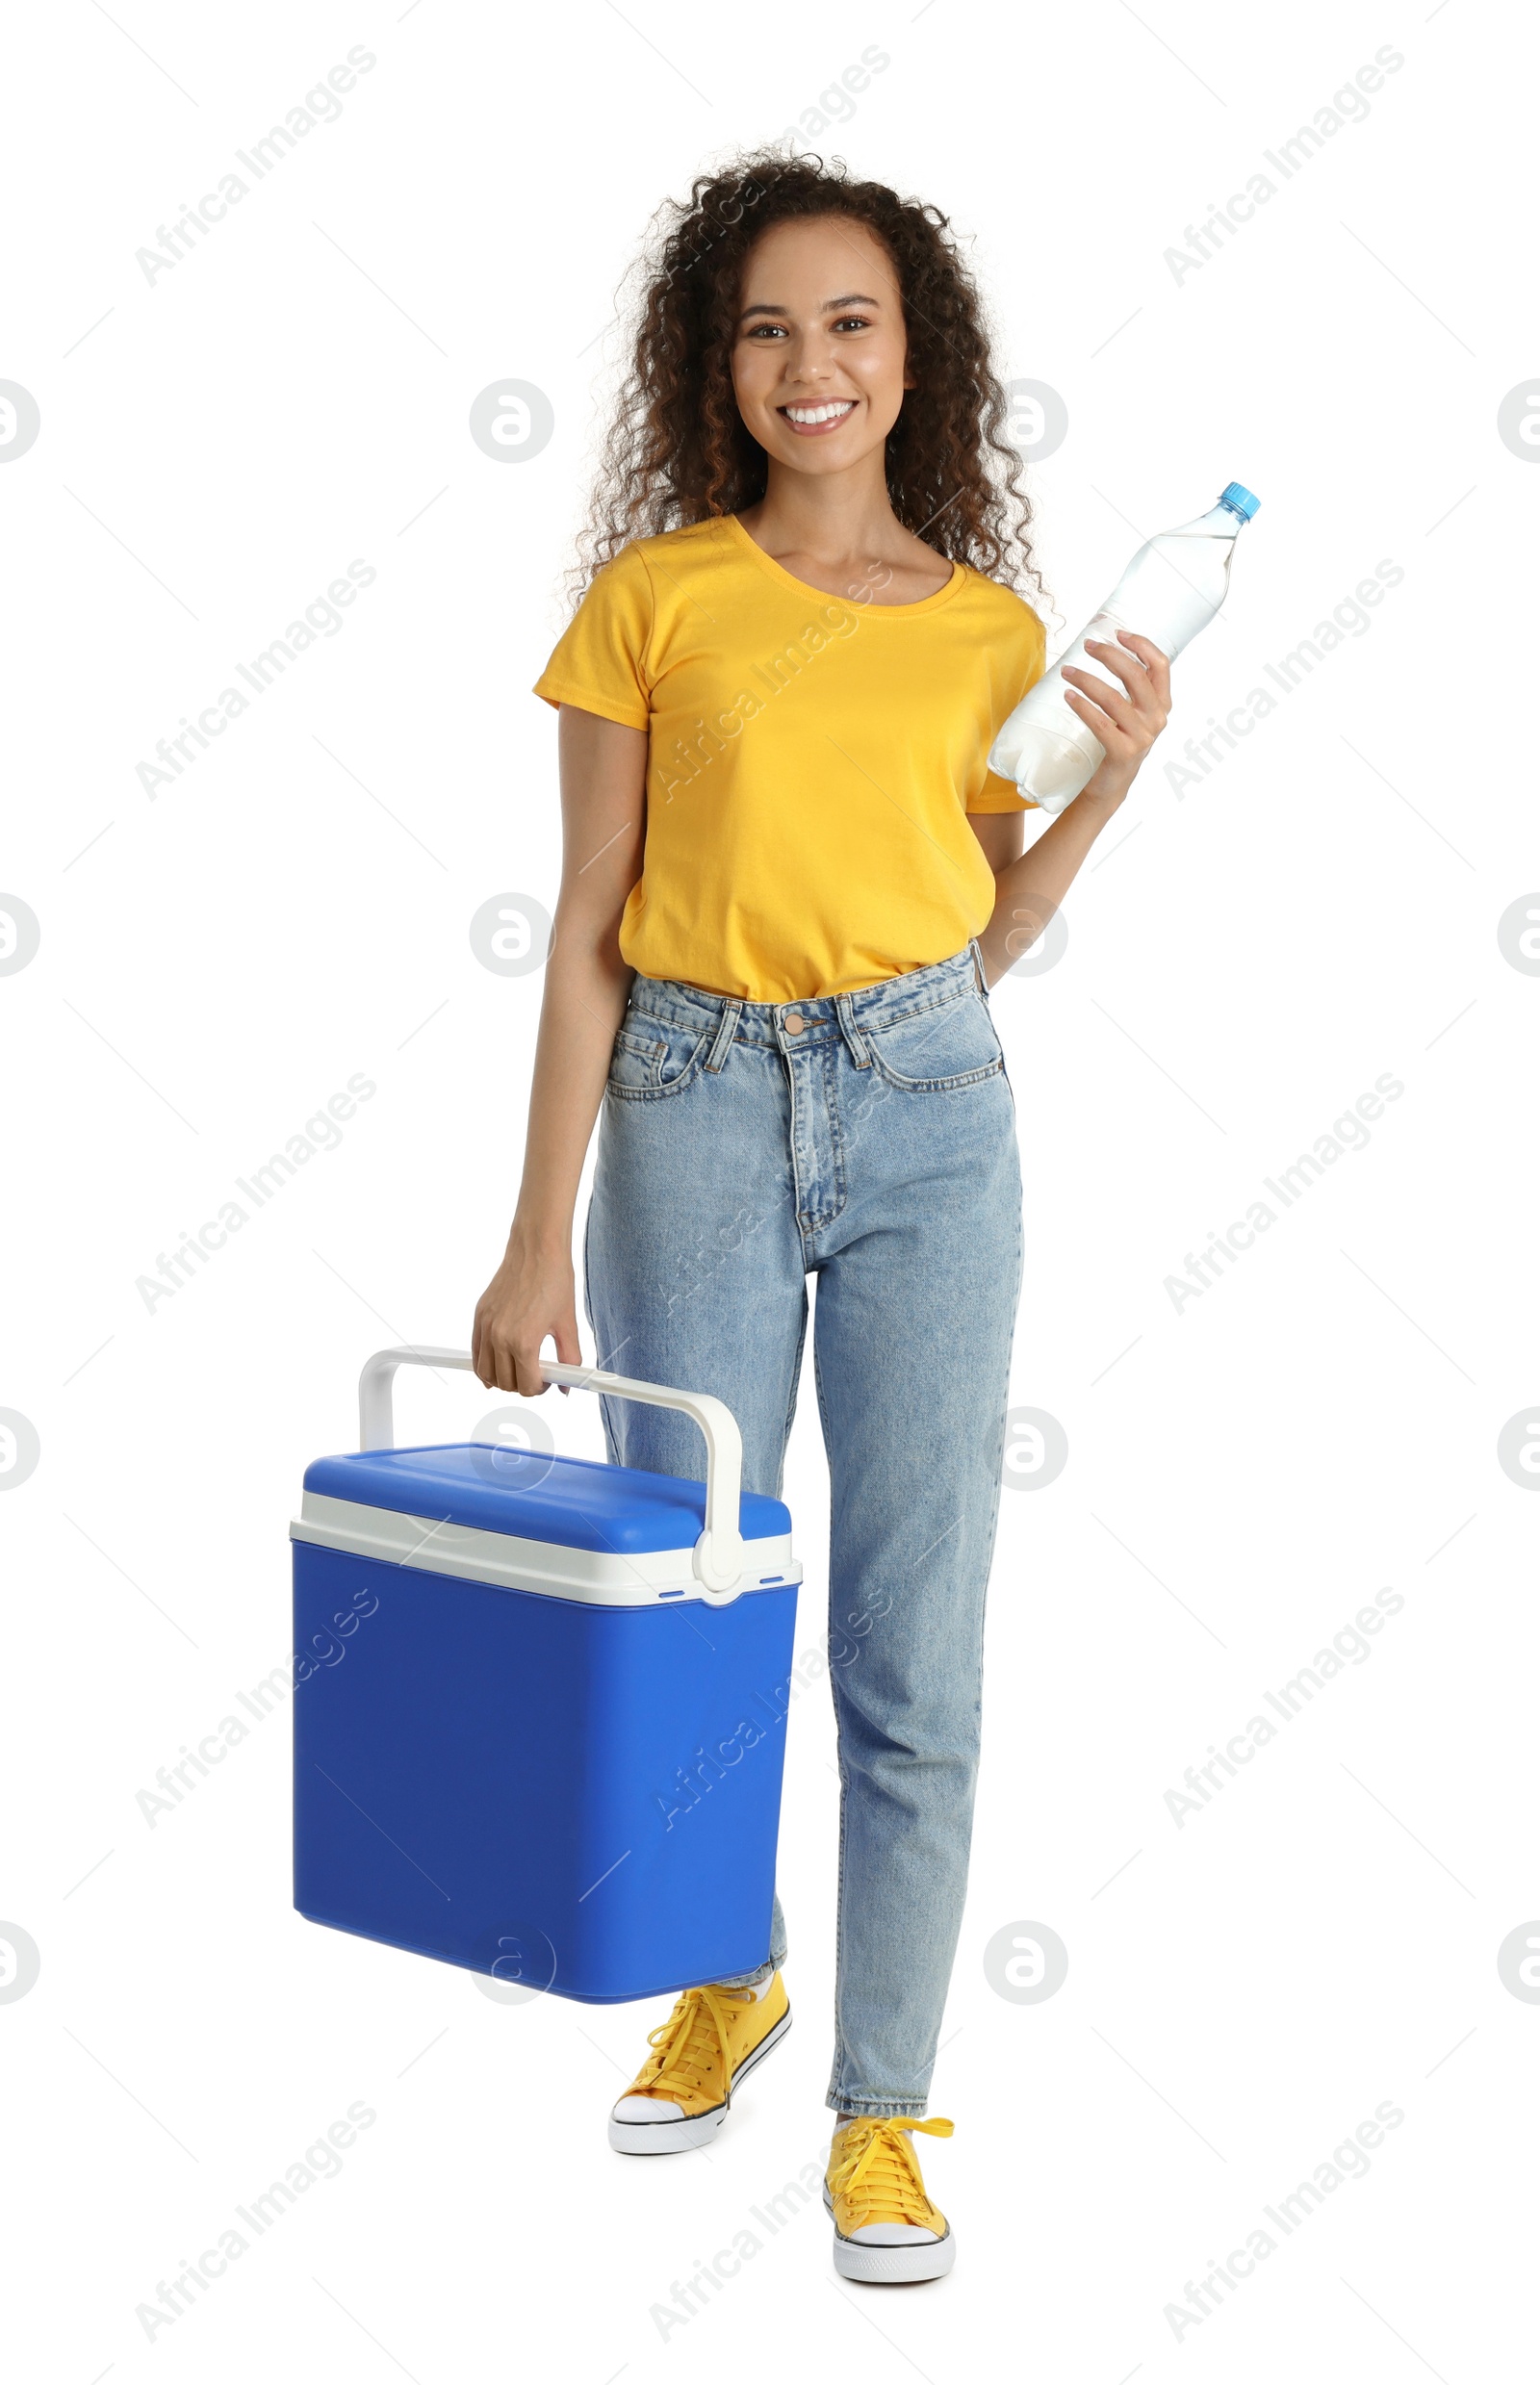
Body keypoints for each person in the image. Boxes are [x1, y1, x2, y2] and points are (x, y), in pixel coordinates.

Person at [472, 150, 1170, 2285]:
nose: (809, 363)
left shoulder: (983, 631)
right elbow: (587, 926)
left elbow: (980, 932)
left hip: (927, 1113)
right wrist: (527, 1234)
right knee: (695, 1590)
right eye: (767, 325)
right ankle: (728, 1969)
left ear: (912, 356)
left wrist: (1108, 782)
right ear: (720, 360)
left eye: (848, 322)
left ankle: (883, 2110)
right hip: (682, 1096)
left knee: (906, 1633)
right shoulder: (654, 603)